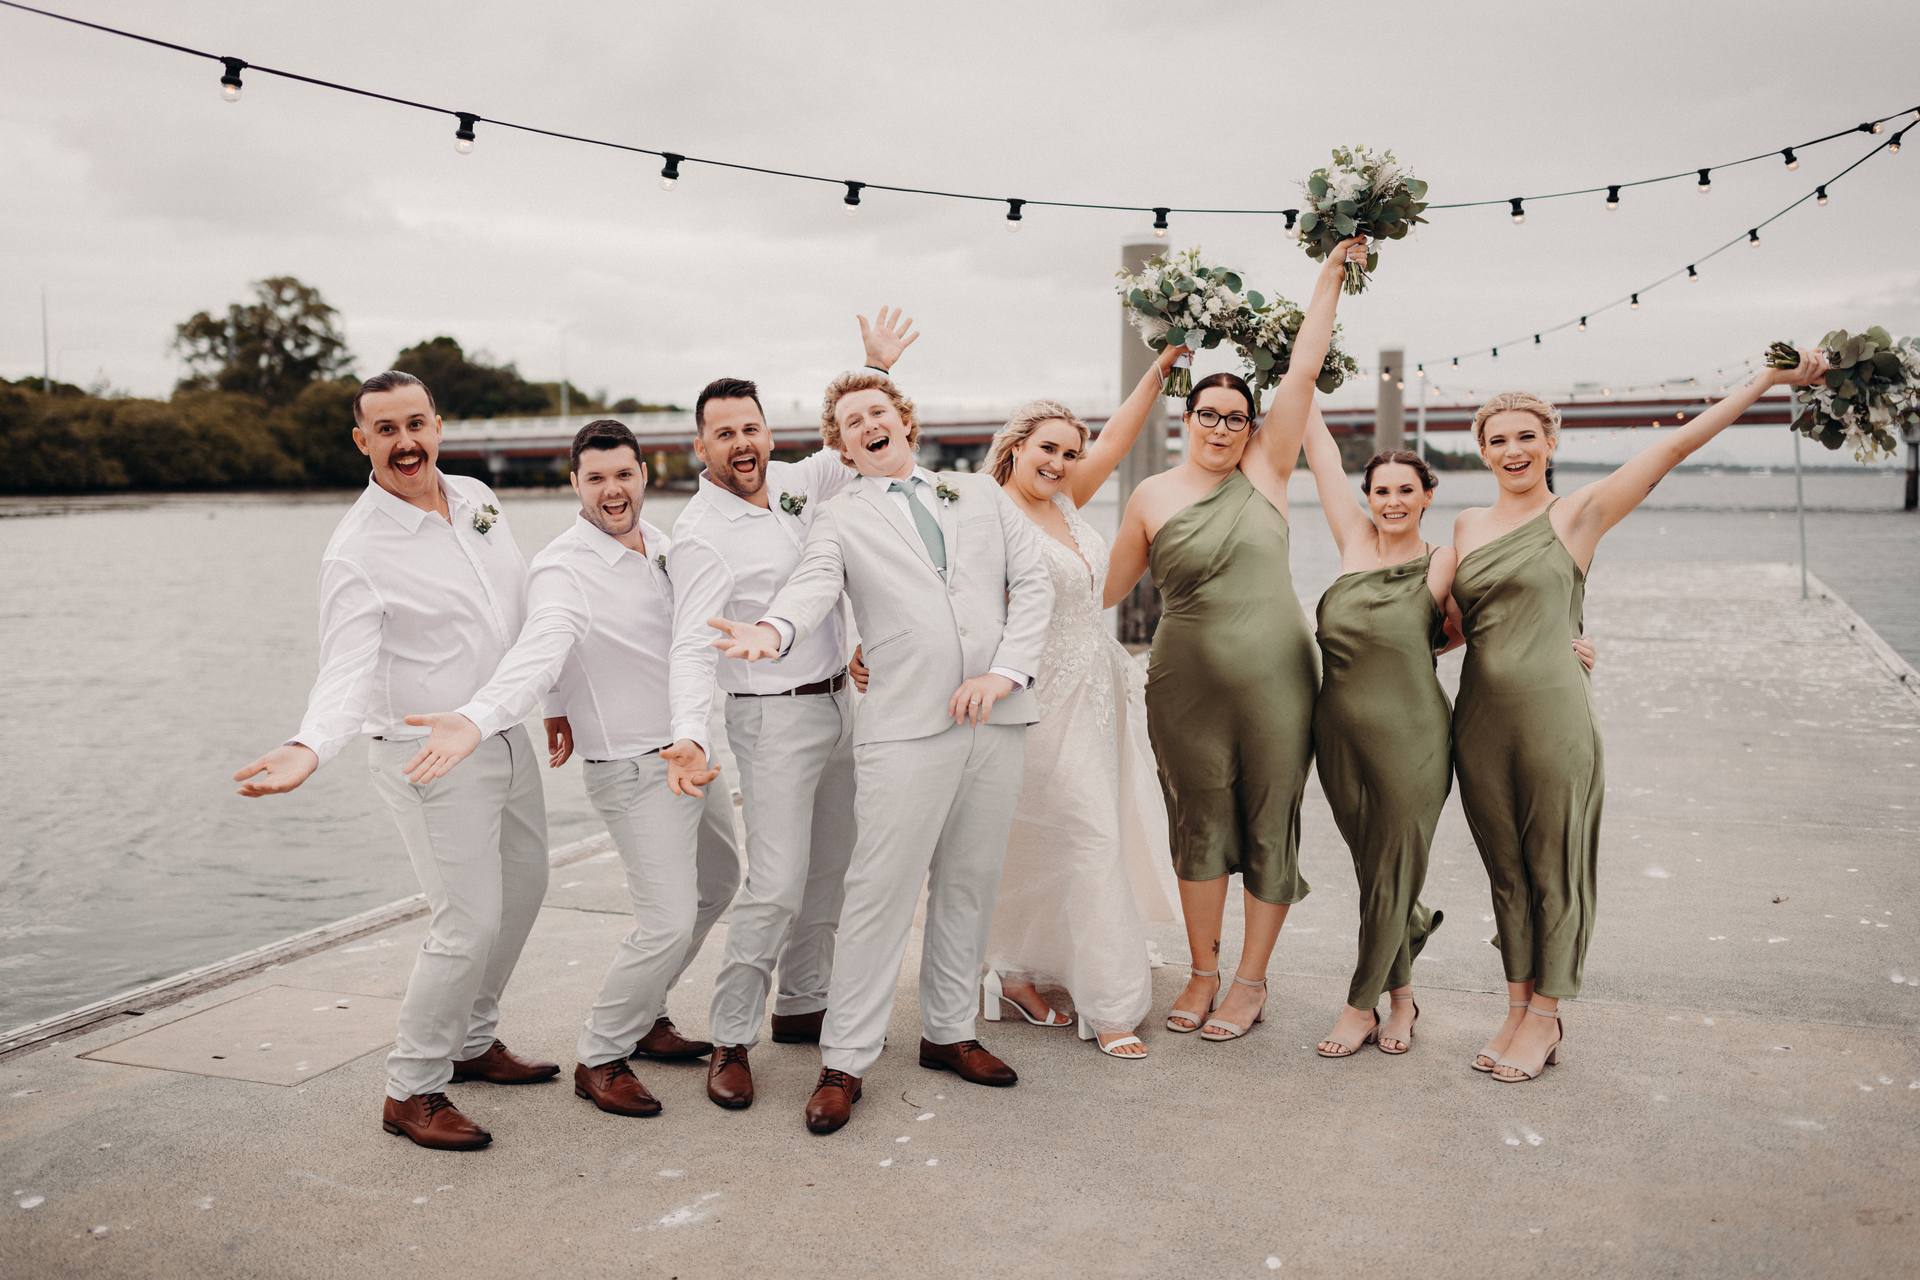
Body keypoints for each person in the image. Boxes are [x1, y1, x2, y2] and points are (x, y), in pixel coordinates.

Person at [1452, 350, 1828, 1082]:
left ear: (1551, 442)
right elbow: (1447, 625)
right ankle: (1515, 1003)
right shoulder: (1465, 524)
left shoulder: (1579, 513)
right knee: (1505, 871)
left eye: (1525, 436)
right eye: (1497, 440)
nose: (1512, 451)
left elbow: (1675, 446)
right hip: (1478, 721)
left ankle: (1548, 1016)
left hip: (1554, 715)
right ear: (1483, 450)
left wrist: (1766, 381)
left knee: (1555, 864)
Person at [709, 370, 1052, 1134]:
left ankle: (950, 1032)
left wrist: (1003, 673)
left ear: (903, 421)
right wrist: (771, 632)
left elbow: (1034, 584)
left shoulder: (980, 495)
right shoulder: (837, 517)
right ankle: (845, 1060)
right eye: (850, 421)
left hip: (996, 719)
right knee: (877, 894)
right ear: (842, 446)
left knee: (970, 882)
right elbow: (811, 588)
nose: (868, 424)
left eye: (878, 411)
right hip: (904, 727)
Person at [232, 370, 556, 1152]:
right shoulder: (356, 551)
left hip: (499, 733)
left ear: (438, 426)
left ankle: (473, 1040)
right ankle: (410, 1088)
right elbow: (345, 669)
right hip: (426, 759)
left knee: (525, 890)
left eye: (417, 424)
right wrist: (312, 744)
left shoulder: (478, 497)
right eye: (387, 430)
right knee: (466, 920)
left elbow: (520, 615)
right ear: (362, 441)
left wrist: (552, 702)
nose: (406, 442)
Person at [400, 419, 740, 1117]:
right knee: (667, 920)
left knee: (720, 883)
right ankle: (602, 1052)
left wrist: (561, 704)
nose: (612, 490)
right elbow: (543, 643)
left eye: (623, 474)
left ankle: (646, 1015)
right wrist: (480, 716)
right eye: (596, 478)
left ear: (645, 474)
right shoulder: (562, 566)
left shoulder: (667, 548)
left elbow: (683, 649)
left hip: (692, 752)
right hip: (634, 767)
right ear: (575, 485)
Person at [1104, 237, 1367, 1043]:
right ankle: (1203, 972)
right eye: (1209, 414)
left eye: (1236, 417)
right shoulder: (1149, 494)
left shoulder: (1269, 472)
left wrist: (1328, 280)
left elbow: (1302, 369)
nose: (1222, 426)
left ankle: (1251, 982)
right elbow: (1101, 590)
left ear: (1253, 427)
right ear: (1188, 417)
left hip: (1279, 681)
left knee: (1268, 821)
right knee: (1198, 822)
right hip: (1183, 686)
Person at [666, 309, 917, 1110]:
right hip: (769, 721)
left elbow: (870, 439)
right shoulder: (698, 532)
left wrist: (875, 369)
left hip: (843, 705)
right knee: (774, 884)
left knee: (831, 873)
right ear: (700, 448)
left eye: (752, 428)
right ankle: (731, 1035)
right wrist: (688, 735)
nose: (742, 444)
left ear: (769, 434)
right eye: (724, 434)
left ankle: (802, 1005)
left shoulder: (805, 484)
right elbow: (689, 646)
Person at [1298, 410, 1595, 1058]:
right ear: (1367, 497)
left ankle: (1360, 1007)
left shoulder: (1445, 562)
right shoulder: (1351, 540)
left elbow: (1504, 611)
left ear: (1428, 496)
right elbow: (1315, 444)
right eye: (1381, 490)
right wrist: (1300, 371)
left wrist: (1563, 644)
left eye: (1407, 490)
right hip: (1338, 735)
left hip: (1415, 737)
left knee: (1393, 866)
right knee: (1375, 871)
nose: (1392, 501)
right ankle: (1404, 999)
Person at [969, 355, 1184, 1059]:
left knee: (1051, 840)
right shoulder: (984, 512)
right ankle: (1111, 1002)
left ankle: (1015, 972)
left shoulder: (1063, 501)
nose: (1060, 462)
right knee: (1085, 835)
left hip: (1097, 696)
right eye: (1046, 449)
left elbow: (1117, 441)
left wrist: (1159, 373)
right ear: (1014, 448)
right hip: (1034, 701)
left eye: (1069, 452)